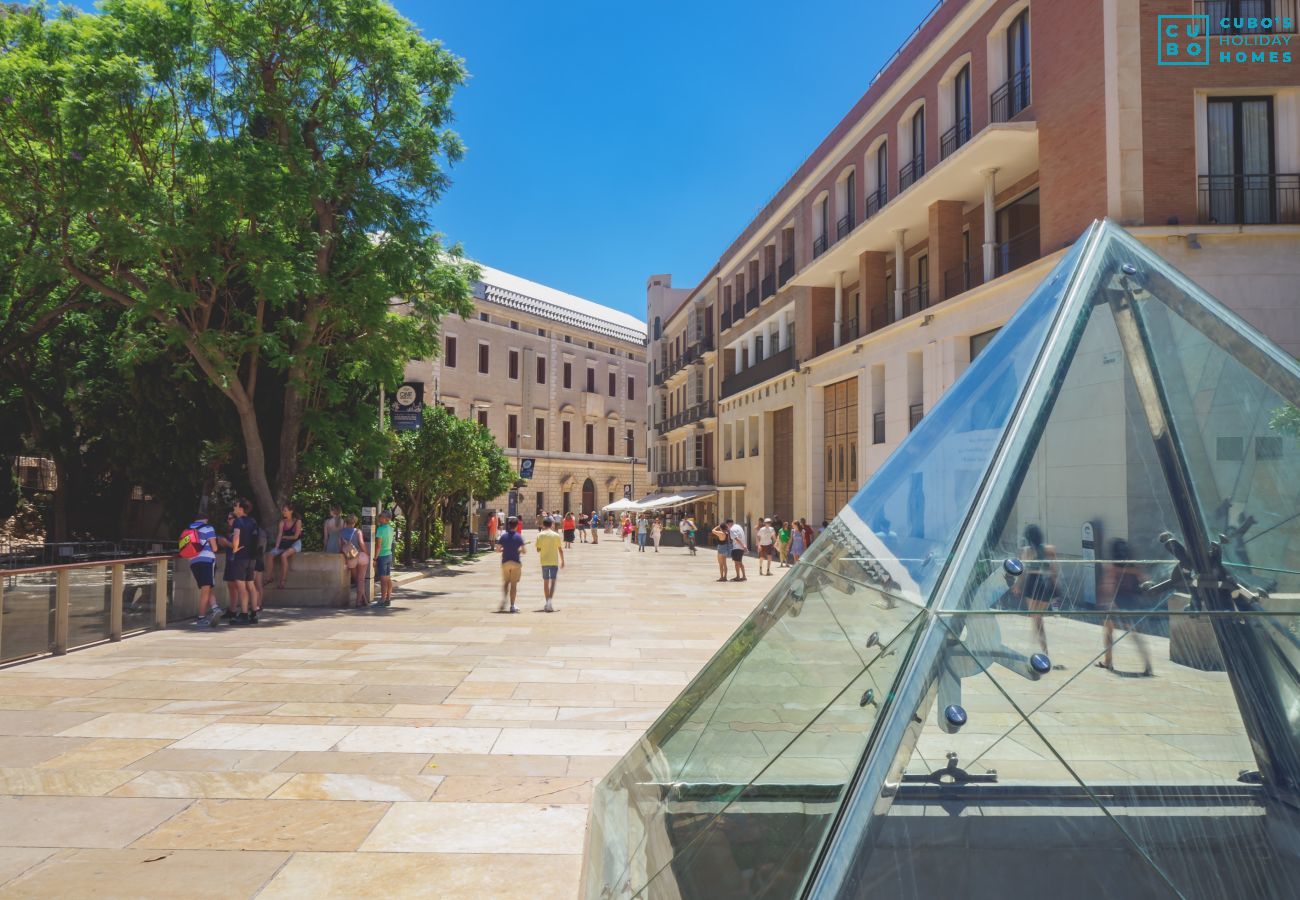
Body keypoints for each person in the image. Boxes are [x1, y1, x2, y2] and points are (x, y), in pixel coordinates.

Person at [1097, 538, 1153, 676]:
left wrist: (1107, 602)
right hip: (1131, 602)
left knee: (1109, 632)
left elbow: (1109, 585)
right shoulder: (1134, 567)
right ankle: (1148, 665)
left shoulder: (1111, 566)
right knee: (1135, 636)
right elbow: (1146, 581)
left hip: (1116, 601)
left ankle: (1108, 662)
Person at [1019, 524, 1059, 656]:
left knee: (1036, 619)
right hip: (1044, 583)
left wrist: (1017, 585)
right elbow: (1054, 571)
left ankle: (1042, 650)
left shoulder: (1026, 551)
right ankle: (1040, 648)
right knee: (1038, 618)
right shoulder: (1050, 549)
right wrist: (1054, 589)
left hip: (1032, 582)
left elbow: (1023, 572)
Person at [223, 499, 258, 625]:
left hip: (241, 557)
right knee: (251, 586)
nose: (234, 507)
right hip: (252, 557)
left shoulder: (238, 521)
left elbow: (236, 536)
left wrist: (235, 548)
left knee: (241, 587)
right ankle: (254, 614)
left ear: (241, 509)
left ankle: (243, 614)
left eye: (236, 506)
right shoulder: (253, 521)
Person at [186, 513, 223, 627]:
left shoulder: (188, 529)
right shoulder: (208, 528)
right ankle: (201, 618)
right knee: (206, 588)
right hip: (207, 560)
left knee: (206, 587)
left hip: (193, 562)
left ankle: (215, 608)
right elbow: (215, 547)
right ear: (206, 519)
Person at [338, 513, 370, 607]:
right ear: (355, 522)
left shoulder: (341, 532)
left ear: (346, 522)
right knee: (361, 580)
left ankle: (362, 600)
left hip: (351, 558)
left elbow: (340, 548)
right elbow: (361, 543)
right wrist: (367, 553)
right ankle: (358, 601)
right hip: (361, 556)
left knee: (357, 580)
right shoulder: (358, 531)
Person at [269, 503, 303, 590]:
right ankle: (269, 577)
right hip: (285, 543)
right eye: (283, 510)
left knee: (284, 556)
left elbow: (296, 536)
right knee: (270, 555)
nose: (283, 512)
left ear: (291, 511)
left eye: (285, 510)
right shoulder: (282, 522)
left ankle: (282, 581)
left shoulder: (297, 521)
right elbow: (280, 534)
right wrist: (277, 545)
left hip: (295, 543)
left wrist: (285, 537)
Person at [496, 515, 526, 613]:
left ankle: (505, 598)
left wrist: (504, 549)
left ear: (508, 525)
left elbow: (497, 550)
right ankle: (512, 606)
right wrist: (518, 550)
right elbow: (524, 551)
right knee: (513, 585)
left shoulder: (503, 536)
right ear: (516, 525)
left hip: (505, 562)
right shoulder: (519, 537)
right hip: (515, 562)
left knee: (506, 582)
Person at [535, 516, 564, 613]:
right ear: (551, 524)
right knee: (553, 582)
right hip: (554, 561)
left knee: (546, 582)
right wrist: (562, 561)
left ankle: (547, 602)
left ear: (543, 524)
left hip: (544, 561)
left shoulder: (540, 535)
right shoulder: (556, 535)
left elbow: (538, 549)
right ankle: (550, 602)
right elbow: (560, 549)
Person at [374, 510, 395, 607]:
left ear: (386, 519)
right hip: (389, 554)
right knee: (388, 578)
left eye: (381, 516)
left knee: (383, 579)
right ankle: (388, 598)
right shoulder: (390, 529)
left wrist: (375, 558)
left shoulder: (380, 529)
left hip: (382, 556)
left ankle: (382, 599)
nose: (379, 517)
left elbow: (378, 546)